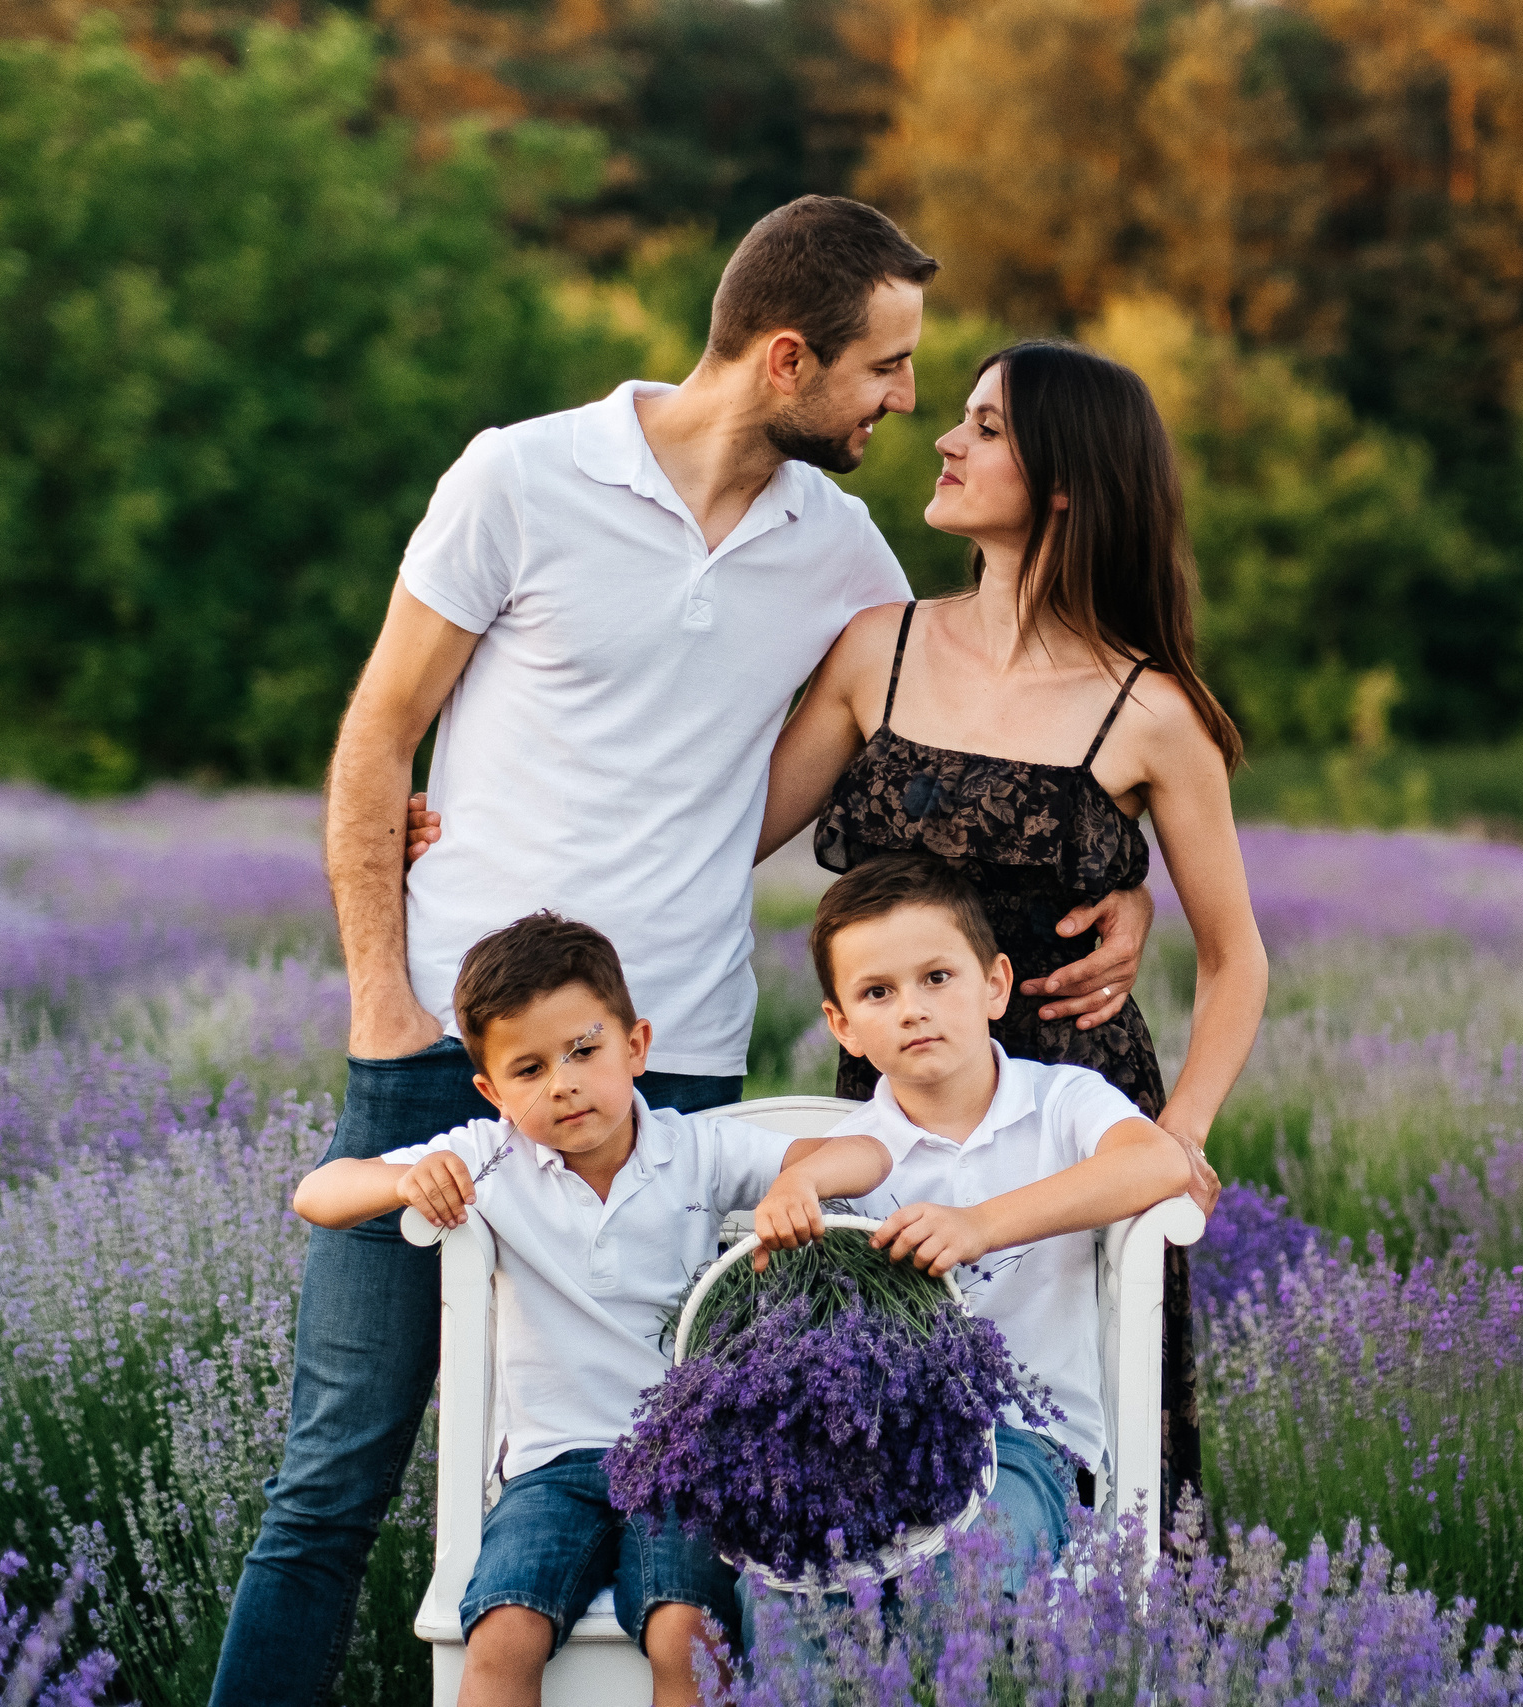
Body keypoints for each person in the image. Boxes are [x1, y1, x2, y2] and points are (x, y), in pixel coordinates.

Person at [220, 196, 1153, 1706]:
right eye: (887, 367)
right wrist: (384, 1001)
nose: (908, 402)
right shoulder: (518, 477)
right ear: (789, 357)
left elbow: (980, 722)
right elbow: (377, 728)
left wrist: (1129, 881)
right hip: (455, 1053)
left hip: (683, 1074)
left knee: (683, 1484)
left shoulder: (839, 550)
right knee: (337, 1471)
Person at [762, 340, 1268, 1507]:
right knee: (884, 1411)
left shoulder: (1149, 711)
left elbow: (1238, 959)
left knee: (1086, 1428)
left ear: (1067, 483)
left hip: (1078, 1116)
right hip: (901, 1097)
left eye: (987, 427)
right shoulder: (874, 650)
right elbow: (722, 833)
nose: (945, 438)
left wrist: (1178, 1143)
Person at [294, 914, 891, 1706]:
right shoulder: (489, 1156)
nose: (563, 1083)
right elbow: (316, 1193)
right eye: (530, 1068)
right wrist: (406, 1179)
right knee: (505, 1630)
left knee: (688, 1632)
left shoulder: (694, 1150)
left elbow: (869, 1151)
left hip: (681, 1459)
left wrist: (797, 1182)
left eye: (584, 1050)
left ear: (636, 1045)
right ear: (491, 1090)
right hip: (551, 1469)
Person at [812, 854, 1196, 1573]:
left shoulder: (1060, 1101)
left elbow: (1160, 1162)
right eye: (876, 991)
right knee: (791, 1590)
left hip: (1035, 1444)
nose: (912, 1008)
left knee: (978, 1570)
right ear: (844, 1025)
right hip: (892, 1447)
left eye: (936, 977)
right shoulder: (852, 1153)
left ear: (995, 983)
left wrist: (980, 1224)